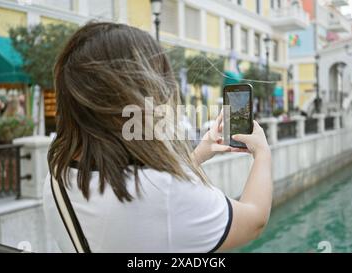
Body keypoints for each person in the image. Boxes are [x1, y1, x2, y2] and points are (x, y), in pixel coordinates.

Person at [43, 22, 273, 253]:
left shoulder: (56, 176)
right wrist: (262, 153)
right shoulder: (164, 191)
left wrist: (200, 153)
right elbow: (254, 220)